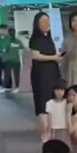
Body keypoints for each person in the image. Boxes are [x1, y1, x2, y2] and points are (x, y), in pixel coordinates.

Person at [29, 11, 63, 142]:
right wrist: (54, 57)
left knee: (51, 101)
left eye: (48, 21)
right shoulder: (35, 39)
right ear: (37, 24)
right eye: (42, 21)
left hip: (52, 72)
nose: (46, 24)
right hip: (41, 74)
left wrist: (57, 57)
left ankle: (50, 130)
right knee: (42, 103)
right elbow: (35, 56)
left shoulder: (49, 38)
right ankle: (45, 132)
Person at [0, 24, 23, 93]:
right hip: (16, 60)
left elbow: (3, 50)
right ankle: (15, 87)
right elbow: (22, 49)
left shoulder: (7, 41)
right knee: (15, 74)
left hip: (9, 60)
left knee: (8, 74)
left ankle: (6, 87)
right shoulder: (17, 41)